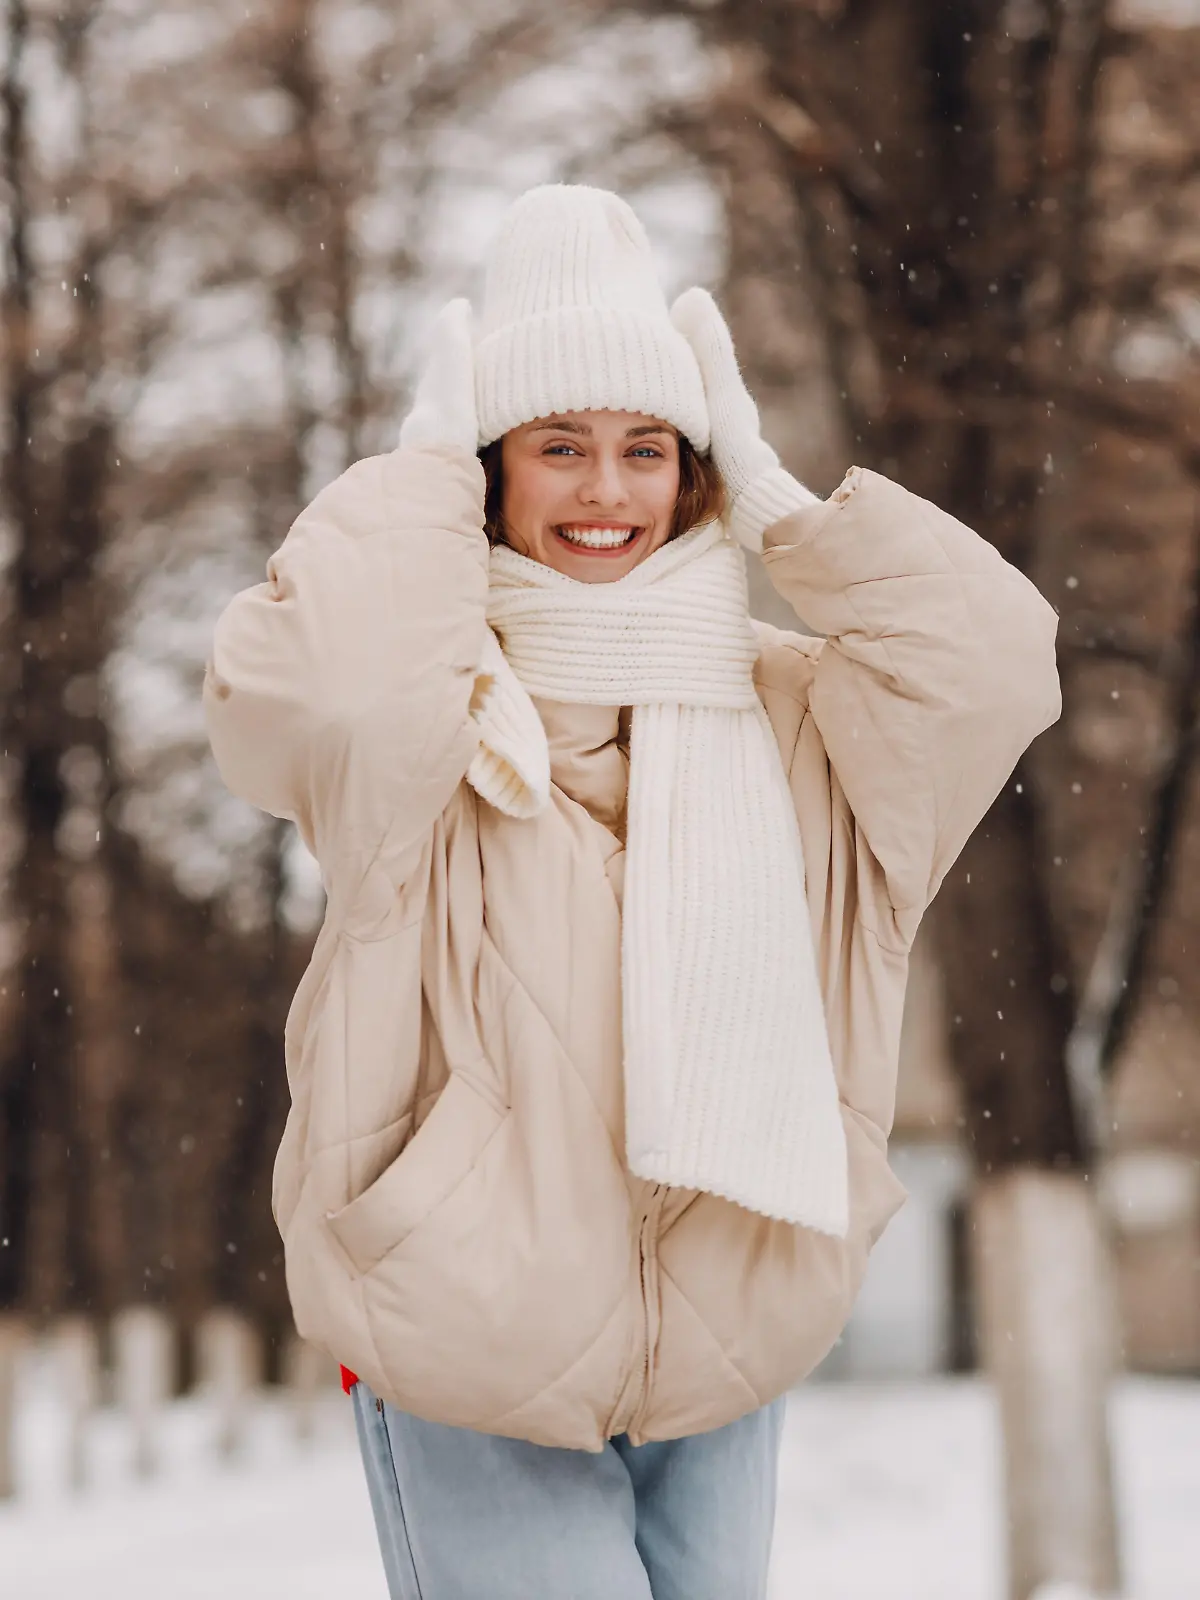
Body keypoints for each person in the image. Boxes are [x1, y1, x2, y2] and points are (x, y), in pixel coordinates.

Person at [204, 184, 1060, 1599]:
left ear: (693, 471)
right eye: (558, 447)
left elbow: (996, 670)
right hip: (473, 1329)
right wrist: (416, 478)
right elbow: (307, 692)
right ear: (493, 473)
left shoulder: (799, 718)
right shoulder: (425, 723)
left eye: (647, 448)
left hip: (728, 1333)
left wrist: (785, 504)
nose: (607, 491)